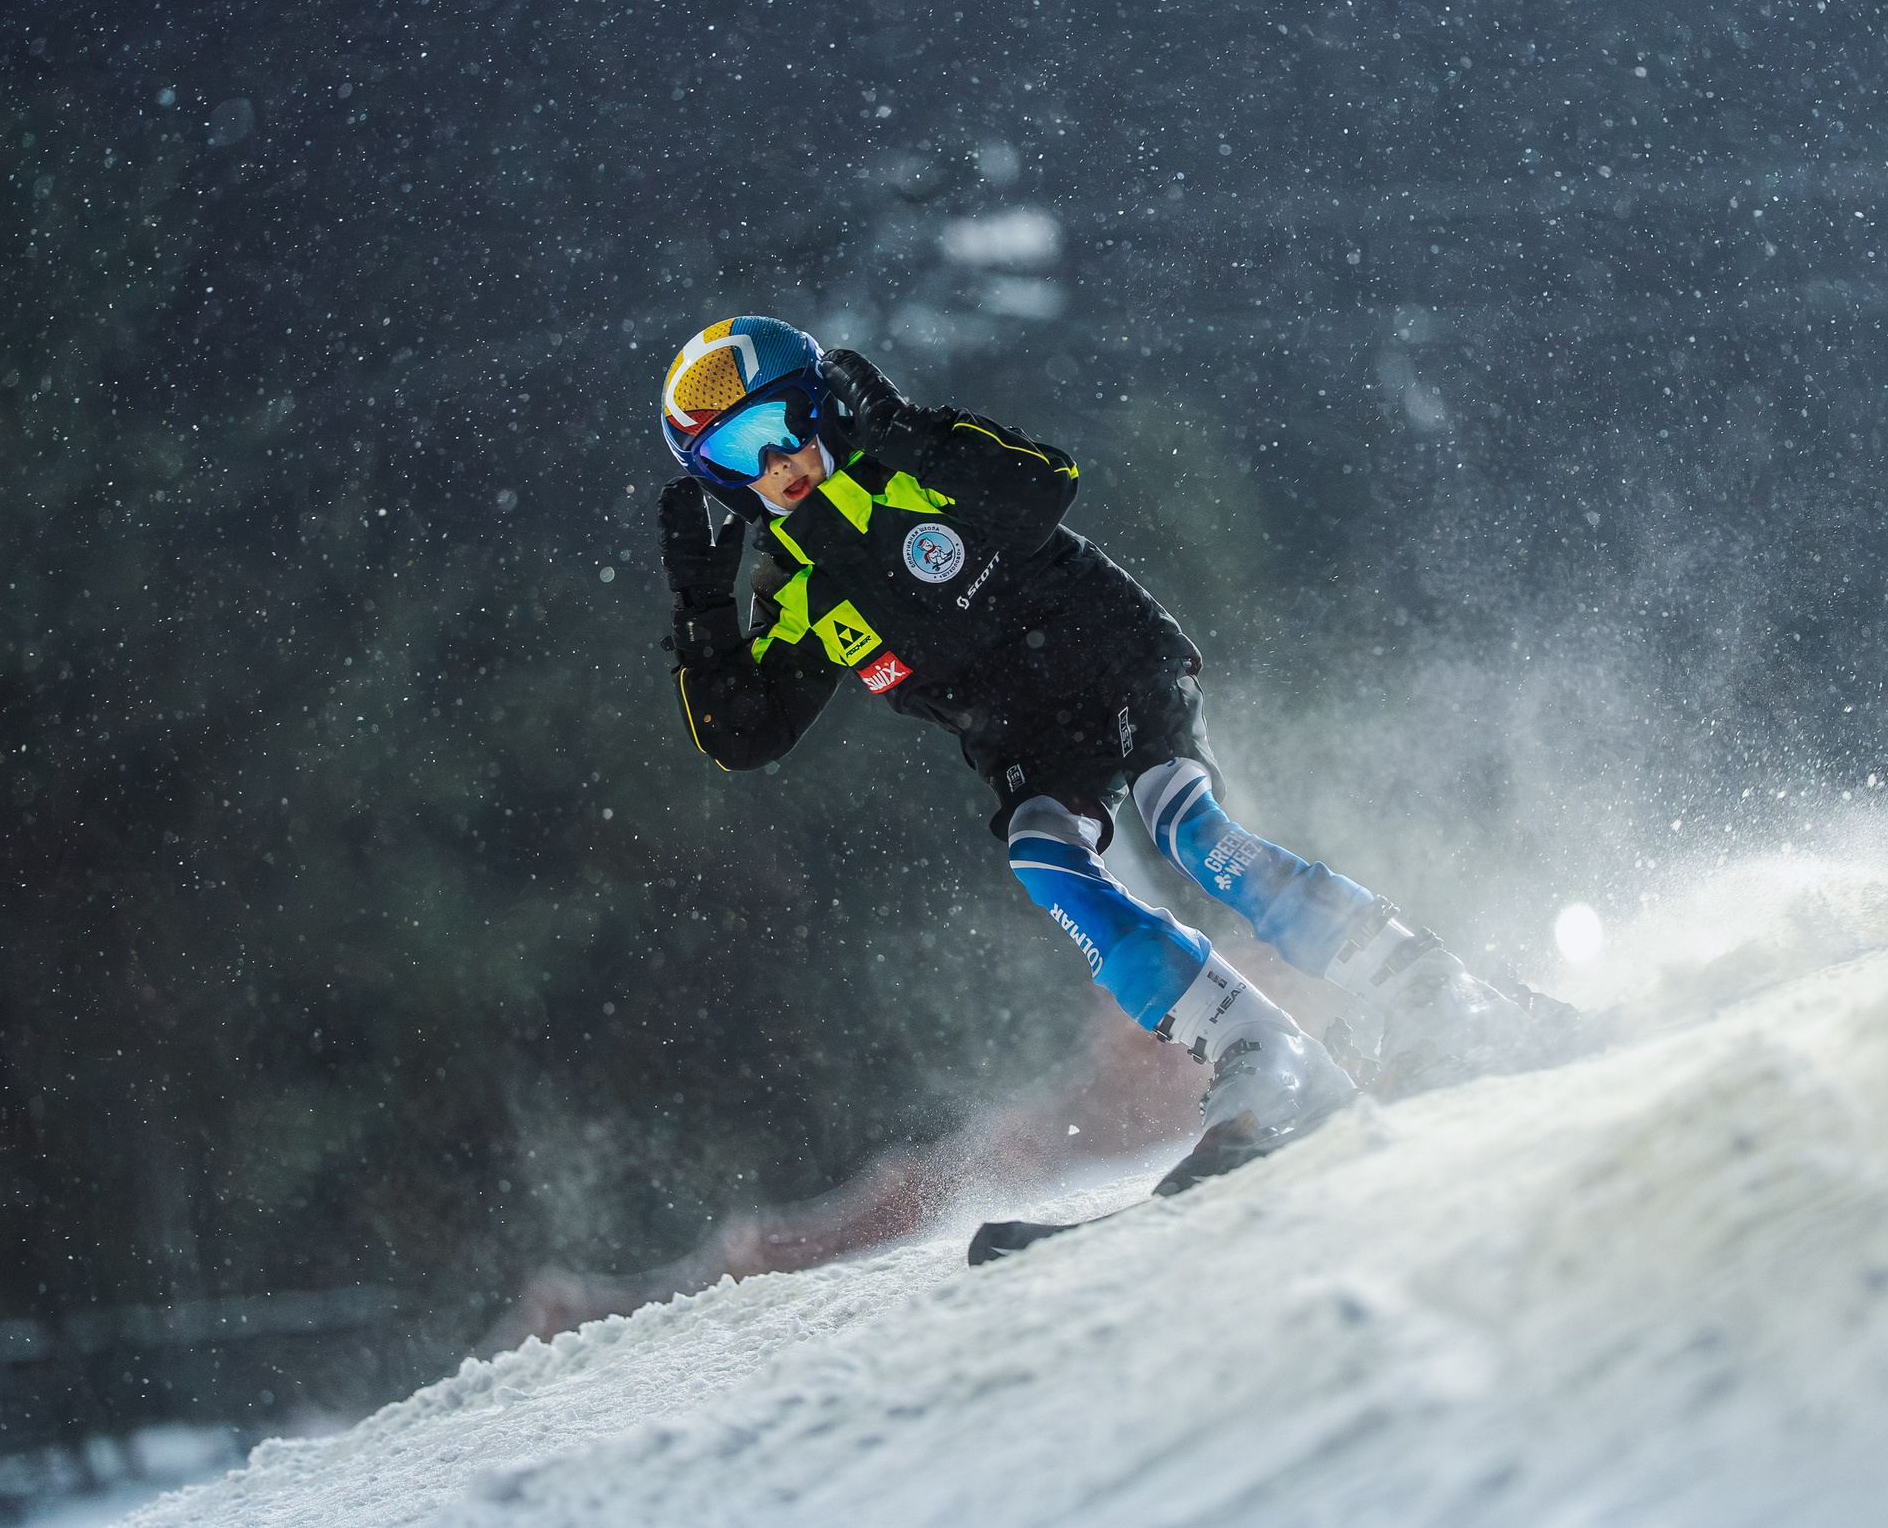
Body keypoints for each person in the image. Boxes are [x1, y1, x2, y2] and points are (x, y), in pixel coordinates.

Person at [655, 315, 1563, 1193]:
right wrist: (702, 611)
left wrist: (896, 429)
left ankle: (1430, 991)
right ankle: (1269, 1059)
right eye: (739, 456)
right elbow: (748, 736)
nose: (777, 466)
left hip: (1114, 658)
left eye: (781, 428)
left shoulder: (908, 466)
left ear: (820, 405)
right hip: (1023, 740)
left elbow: (1048, 481)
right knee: (1045, 859)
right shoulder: (794, 587)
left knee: (1188, 830)